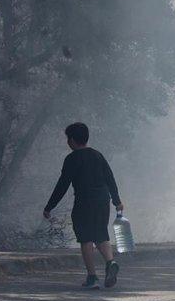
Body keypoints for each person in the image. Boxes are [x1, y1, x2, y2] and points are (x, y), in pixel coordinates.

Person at [42, 123, 122, 289]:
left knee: (85, 238)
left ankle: (92, 278)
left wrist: (49, 206)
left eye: (67, 139)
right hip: (102, 200)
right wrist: (117, 201)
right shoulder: (98, 155)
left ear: (72, 140)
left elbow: (62, 185)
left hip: (84, 201)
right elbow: (110, 179)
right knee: (101, 234)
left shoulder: (72, 159)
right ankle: (110, 262)